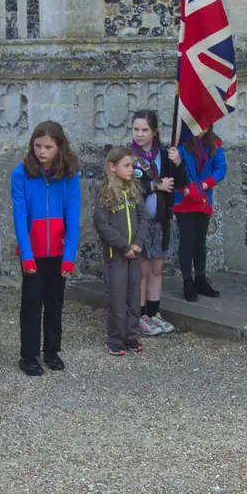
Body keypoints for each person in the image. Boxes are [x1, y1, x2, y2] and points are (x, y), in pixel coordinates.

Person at [10, 120, 81, 377]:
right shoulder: (21, 173)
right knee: (31, 304)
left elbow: (73, 215)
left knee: (54, 303)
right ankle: (28, 356)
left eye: (48, 147)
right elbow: (20, 216)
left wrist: (69, 256)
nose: (42, 151)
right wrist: (27, 256)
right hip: (33, 251)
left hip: (58, 251)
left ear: (59, 147)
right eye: (38, 146)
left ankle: (52, 351)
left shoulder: (70, 174)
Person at [129, 110, 185, 336]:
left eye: (145, 130)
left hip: (161, 220)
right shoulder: (128, 156)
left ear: (154, 132)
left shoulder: (163, 153)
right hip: (139, 221)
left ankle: (154, 312)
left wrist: (178, 163)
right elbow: (127, 187)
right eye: (136, 129)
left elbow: (179, 183)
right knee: (141, 269)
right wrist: (153, 186)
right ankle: (140, 314)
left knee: (157, 268)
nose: (140, 134)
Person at [94, 146, 146, 356]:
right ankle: (115, 338)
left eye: (132, 165)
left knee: (134, 295)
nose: (131, 170)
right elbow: (102, 225)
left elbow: (143, 217)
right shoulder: (104, 193)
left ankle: (132, 336)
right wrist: (123, 246)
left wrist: (138, 242)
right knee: (117, 296)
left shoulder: (134, 190)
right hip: (116, 255)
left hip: (135, 252)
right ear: (112, 167)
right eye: (126, 166)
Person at [174, 124, 227, 302]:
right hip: (185, 197)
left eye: (204, 124)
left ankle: (201, 279)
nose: (201, 128)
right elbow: (176, 170)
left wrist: (205, 185)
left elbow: (221, 169)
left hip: (204, 197)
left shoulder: (215, 143)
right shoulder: (181, 144)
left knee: (200, 239)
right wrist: (187, 187)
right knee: (187, 239)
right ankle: (188, 281)